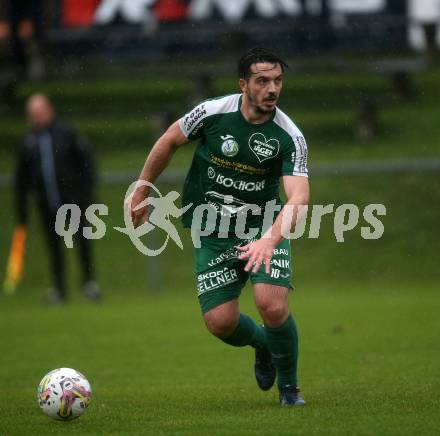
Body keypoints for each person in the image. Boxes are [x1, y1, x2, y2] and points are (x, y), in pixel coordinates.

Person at [128, 48, 310, 406]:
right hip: (212, 230)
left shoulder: (290, 136)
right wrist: (143, 186)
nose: (272, 89)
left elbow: (299, 197)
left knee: (271, 304)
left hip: (261, 227)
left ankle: (289, 389)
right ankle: (262, 345)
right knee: (220, 323)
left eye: (277, 81)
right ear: (243, 84)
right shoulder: (212, 113)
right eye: (262, 81)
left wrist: (269, 241)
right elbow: (169, 140)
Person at [15, 93, 101, 304]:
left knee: (82, 241)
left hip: (74, 202)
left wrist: (86, 194)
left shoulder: (66, 134)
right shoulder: (28, 143)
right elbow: (22, 180)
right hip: (47, 204)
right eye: (33, 113)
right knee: (54, 248)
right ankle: (59, 289)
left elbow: (87, 164)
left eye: (40, 111)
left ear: (50, 110)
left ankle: (89, 284)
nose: (38, 116)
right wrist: (22, 210)